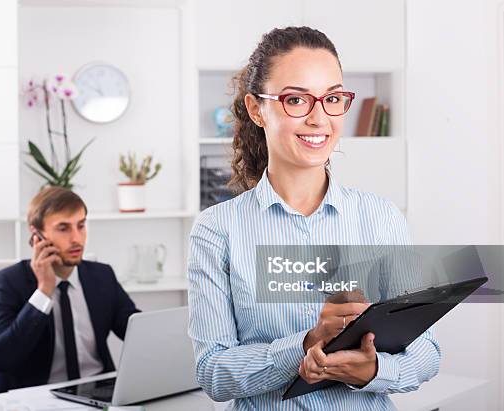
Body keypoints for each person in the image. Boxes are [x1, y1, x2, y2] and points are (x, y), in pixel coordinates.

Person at [187, 26, 440, 410]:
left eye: (333, 98)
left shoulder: (381, 218)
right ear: (257, 109)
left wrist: (373, 372)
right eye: (296, 100)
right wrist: (306, 343)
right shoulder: (217, 230)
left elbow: (427, 353)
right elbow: (213, 373)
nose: (319, 119)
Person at [0, 187, 139, 394]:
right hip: (34, 399)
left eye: (81, 225)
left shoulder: (101, 276)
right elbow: (1, 358)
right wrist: (44, 292)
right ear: (37, 235)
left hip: (97, 394)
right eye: (63, 228)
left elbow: (134, 329)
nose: (77, 238)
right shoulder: (6, 282)